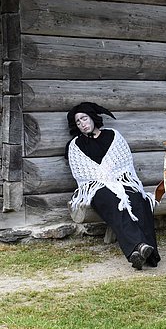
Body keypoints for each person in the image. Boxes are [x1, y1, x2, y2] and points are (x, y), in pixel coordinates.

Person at [65, 102, 160, 270]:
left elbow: (125, 163)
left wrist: (117, 181)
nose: (82, 124)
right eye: (78, 122)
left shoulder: (113, 136)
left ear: (93, 118)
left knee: (139, 200)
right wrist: (105, 181)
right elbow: (82, 175)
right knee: (112, 201)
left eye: (84, 118)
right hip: (95, 187)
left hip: (122, 180)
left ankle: (141, 252)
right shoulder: (75, 146)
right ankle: (140, 246)